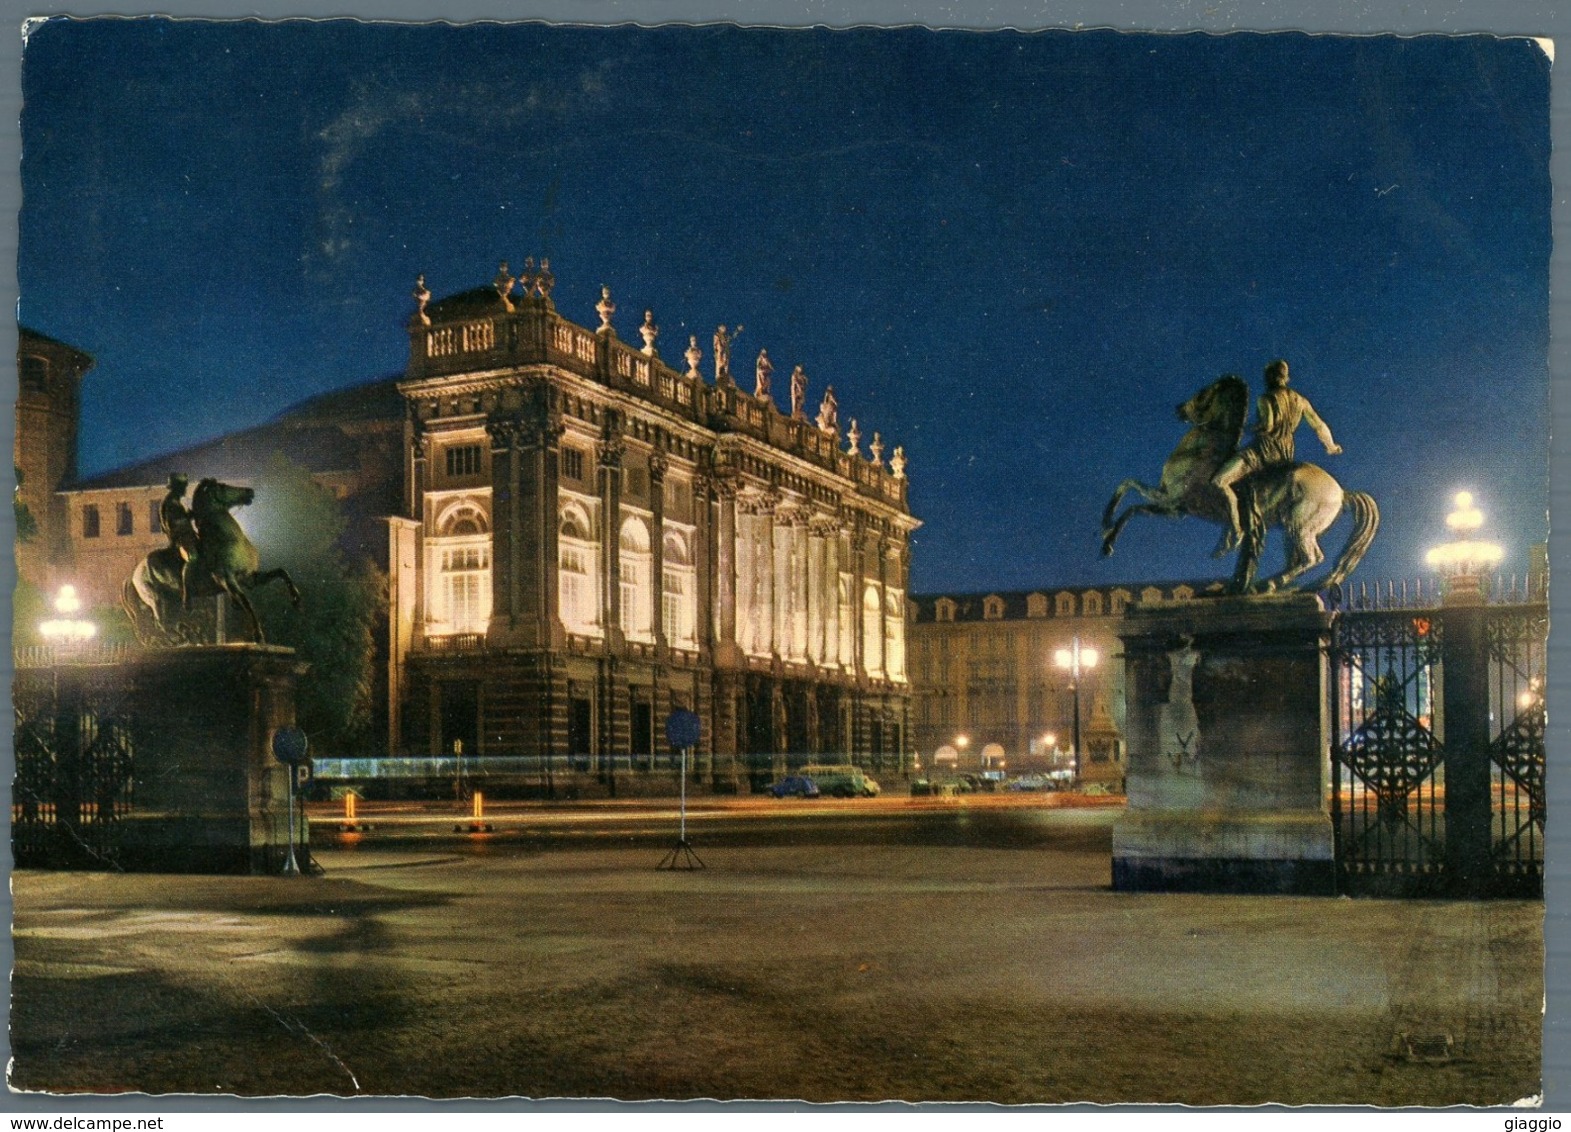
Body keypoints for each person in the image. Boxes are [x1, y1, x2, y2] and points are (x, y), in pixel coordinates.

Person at [1212, 359, 1342, 554]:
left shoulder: (1266, 398)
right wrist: (1330, 446)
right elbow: (1318, 425)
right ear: (1286, 377)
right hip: (1285, 454)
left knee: (1219, 481)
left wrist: (1243, 428)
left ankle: (1236, 529)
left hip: (1262, 452)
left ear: (1270, 378)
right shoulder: (1301, 400)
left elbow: (1268, 426)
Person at [160, 473, 199, 562]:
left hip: (185, 536)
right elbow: (174, 522)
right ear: (177, 487)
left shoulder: (175, 501)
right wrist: (188, 517)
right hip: (181, 539)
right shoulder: (171, 503)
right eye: (183, 486)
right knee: (194, 558)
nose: (185, 489)